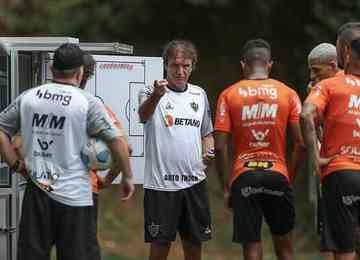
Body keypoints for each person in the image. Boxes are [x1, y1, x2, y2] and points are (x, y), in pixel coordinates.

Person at [0, 43, 134, 260]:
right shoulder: (87, 102)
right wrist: (125, 176)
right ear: (80, 72)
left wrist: (16, 165)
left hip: (37, 194)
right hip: (75, 197)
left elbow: (1, 131)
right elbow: (119, 143)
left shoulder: (29, 97)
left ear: (52, 69)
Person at [214, 39, 304, 260]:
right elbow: (300, 144)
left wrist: (227, 187)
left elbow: (219, 146)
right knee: (285, 249)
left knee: (252, 249)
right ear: (269, 64)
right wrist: (288, 177)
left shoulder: (228, 94)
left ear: (243, 64)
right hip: (278, 174)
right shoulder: (288, 93)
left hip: (244, 177)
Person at [138, 39, 214, 260]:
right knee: (160, 248)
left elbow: (207, 133)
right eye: (174, 65)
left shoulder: (199, 94)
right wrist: (156, 96)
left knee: (194, 246)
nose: (180, 71)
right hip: (161, 186)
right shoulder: (150, 91)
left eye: (186, 66)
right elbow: (143, 116)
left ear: (192, 66)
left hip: (194, 183)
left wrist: (209, 151)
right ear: (166, 65)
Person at [301, 22, 360, 260]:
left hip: (338, 171)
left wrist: (315, 156)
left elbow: (306, 115)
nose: (313, 76)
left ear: (345, 52)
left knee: (339, 244)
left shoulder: (328, 87)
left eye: (316, 70)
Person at [307, 42, 339, 260]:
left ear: (333, 66)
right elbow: (318, 133)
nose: (312, 75)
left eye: (317, 71)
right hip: (328, 171)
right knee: (328, 235)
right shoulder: (318, 91)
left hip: (342, 168)